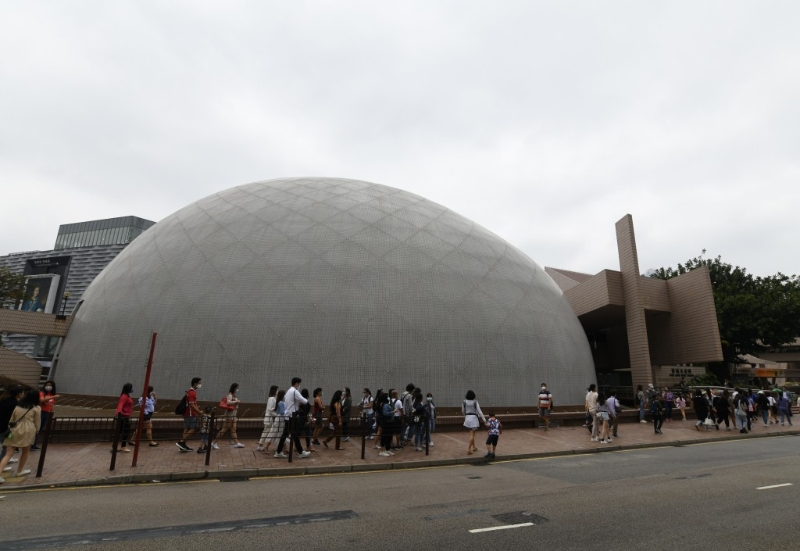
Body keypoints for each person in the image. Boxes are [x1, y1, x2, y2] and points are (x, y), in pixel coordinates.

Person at [0, 389, 41, 483]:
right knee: (25, 452)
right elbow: (37, 422)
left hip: (15, 429)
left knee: (8, 454)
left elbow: (12, 418)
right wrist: (37, 431)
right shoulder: (36, 408)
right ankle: (19, 471)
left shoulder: (18, 405)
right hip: (28, 430)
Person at [275, 377, 311, 458]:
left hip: (287, 415)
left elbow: (291, 402)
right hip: (292, 416)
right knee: (293, 434)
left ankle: (279, 451)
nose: (299, 385)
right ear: (296, 383)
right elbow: (305, 401)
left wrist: (297, 402)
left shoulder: (288, 391)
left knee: (288, 434)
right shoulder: (295, 391)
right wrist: (301, 401)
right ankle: (300, 452)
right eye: (299, 384)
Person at [0, 385, 25, 470]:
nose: (23, 394)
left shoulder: (3, 400)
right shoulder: (15, 404)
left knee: (4, 446)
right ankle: (1, 466)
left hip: (2, 426)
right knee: (6, 447)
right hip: (5, 428)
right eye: (22, 393)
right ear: (18, 394)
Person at [213, 383, 244, 449]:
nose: (237, 389)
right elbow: (228, 402)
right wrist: (236, 402)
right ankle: (214, 442)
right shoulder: (230, 395)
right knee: (224, 429)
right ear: (234, 388)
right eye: (237, 388)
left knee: (233, 429)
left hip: (233, 415)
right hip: (230, 415)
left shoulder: (233, 395)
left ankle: (236, 442)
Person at [32, 380, 59, 450]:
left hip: (47, 413)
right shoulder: (42, 393)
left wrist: (51, 412)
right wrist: (52, 397)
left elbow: (51, 405)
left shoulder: (51, 395)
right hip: (41, 412)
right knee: (37, 428)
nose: (48, 386)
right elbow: (42, 400)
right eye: (47, 385)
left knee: (40, 429)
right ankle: (32, 443)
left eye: (50, 385)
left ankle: (34, 443)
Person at [177, 377, 203, 452]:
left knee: (187, 428)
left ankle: (183, 444)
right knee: (193, 428)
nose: (200, 385)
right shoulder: (192, 392)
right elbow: (192, 405)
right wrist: (199, 412)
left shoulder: (191, 392)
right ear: (195, 384)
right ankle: (181, 442)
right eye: (199, 383)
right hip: (190, 413)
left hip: (188, 413)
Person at [462, 390, 486, 454]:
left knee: (471, 433)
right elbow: (479, 411)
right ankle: (468, 449)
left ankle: (474, 447)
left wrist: (465, 416)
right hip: (474, 418)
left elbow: (463, 411)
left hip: (467, 418)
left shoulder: (464, 402)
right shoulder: (475, 402)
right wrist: (484, 420)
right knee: (472, 434)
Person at [114, 383, 135, 453]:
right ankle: (123, 446)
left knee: (120, 432)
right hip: (123, 417)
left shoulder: (126, 396)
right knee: (125, 431)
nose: (132, 389)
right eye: (131, 387)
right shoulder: (124, 396)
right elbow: (120, 405)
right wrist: (119, 414)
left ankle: (115, 446)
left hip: (125, 416)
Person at [257, 385, 279, 452]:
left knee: (266, 431)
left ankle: (261, 445)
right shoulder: (272, 399)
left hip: (269, 418)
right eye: (277, 390)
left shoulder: (272, 398)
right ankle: (261, 445)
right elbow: (270, 409)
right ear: (275, 391)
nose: (278, 391)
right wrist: (277, 415)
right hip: (269, 419)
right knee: (267, 432)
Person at [377, 393, 394, 457]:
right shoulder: (385, 405)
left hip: (388, 422)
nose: (388, 398)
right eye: (387, 397)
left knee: (389, 435)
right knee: (385, 436)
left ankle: (387, 449)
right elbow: (385, 413)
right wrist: (393, 412)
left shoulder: (384, 404)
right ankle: (382, 450)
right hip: (386, 422)